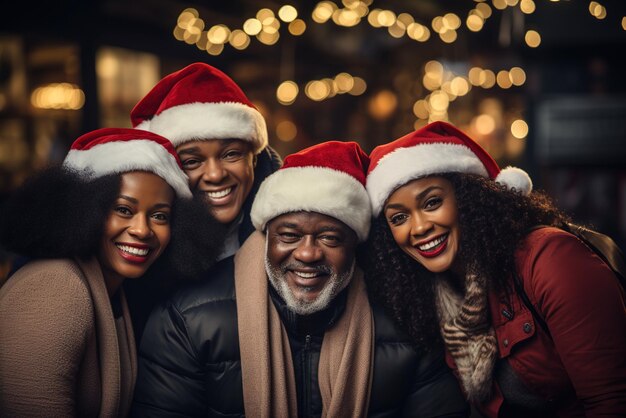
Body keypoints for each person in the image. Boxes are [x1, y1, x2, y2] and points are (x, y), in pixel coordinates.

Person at [131, 141, 469, 417]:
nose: (308, 254)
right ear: (266, 238)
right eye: (289, 235)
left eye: (329, 238)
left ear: (355, 247)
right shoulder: (187, 317)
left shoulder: (406, 318)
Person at [362, 121, 626, 417]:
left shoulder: (550, 258)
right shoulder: (432, 297)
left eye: (432, 202)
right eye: (398, 218)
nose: (420, 227)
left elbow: (612, 401)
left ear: (469, 198)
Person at [0, 128, 224, 417]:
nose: (142, 230)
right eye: (123, 210)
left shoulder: (114, 290)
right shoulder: (53, 286)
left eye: (159, 216)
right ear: (84, 210)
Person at [126, 62, 282, 341]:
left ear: (254, 158)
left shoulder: (291, 236)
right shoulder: (142, 239)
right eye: (193, 161)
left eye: (231, 154)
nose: (215, 174)